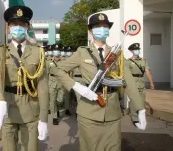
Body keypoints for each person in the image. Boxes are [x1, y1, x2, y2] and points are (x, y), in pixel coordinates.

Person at [50, 13, 147, 151]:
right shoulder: (82, 52)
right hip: (89, 112)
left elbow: (128, 81)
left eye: (105, 26)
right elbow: (57, 69)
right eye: (97, 26)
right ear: (91, 31)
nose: (102, 29)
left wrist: (139, 108)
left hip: (112, 113)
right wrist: (76, 86)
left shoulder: (116, 53)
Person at [0, 5, 49, 151]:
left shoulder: (38, 52)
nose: (18, 27)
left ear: (27, 27)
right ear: (8, 27)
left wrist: (43, 118)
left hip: (30, 107)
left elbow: (42, 87)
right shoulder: (1, 51)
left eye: (22, 24)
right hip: (8, 107)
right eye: (14, 24)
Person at [127, 43, 154, 122]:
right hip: (132, 83)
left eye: (138, 49)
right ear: (132, 51)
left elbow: (147, 72)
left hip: (141, 83)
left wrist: (151, 83)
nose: (137, 51)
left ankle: (140, 116)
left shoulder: (143, 61)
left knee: (142, 100)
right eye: (135, 50)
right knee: (133, 101)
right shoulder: (128, 62)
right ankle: (134, 117)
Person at [46, 44, 65, 125]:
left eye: (58, 50)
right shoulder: (48, 61)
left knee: (60, 100)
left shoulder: (64, 61)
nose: (57, 51)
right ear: (53, 51)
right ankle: (54, 117)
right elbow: (46, 73)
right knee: (52, 100)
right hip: (52, 82)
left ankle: (55, 108)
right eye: (55, 50)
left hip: (61, 82)